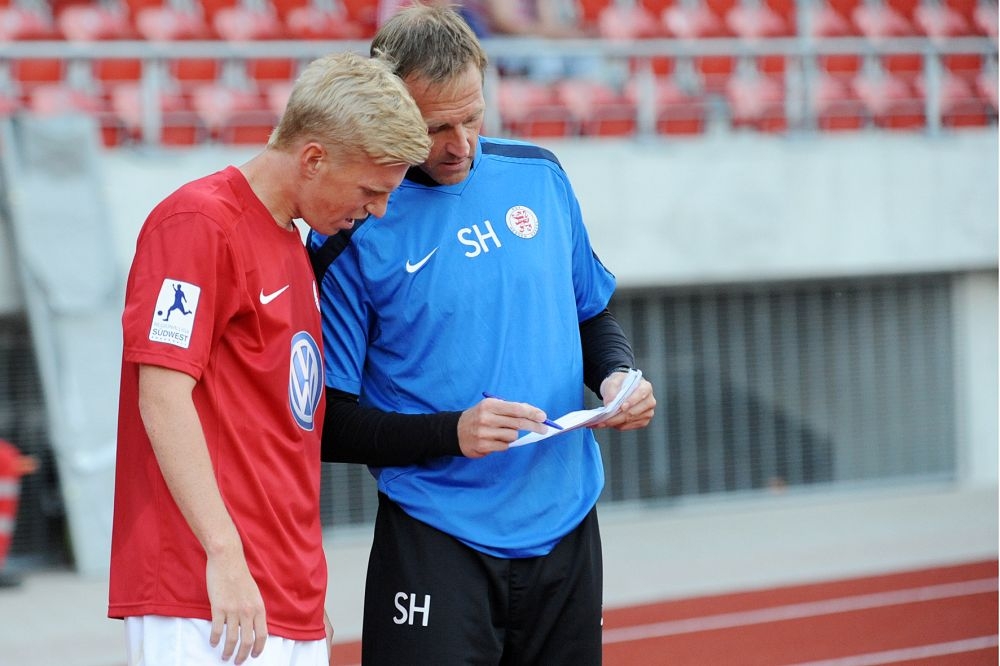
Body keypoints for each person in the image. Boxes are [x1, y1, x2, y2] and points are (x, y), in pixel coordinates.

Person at [308, 6, 656, 664]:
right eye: (434, 127)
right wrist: (453, 433)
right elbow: (328, 422)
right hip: (436, 535)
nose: (460, 145)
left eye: (472, 117)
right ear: (386, 110)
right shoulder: (350, 227)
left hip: (566, 521)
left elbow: (588, 313)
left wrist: (616, 374)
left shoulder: (539, 176)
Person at [108, 51, 430, 666]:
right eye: (370, 190)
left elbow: (283, 430)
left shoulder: (293, 242)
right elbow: (163, 395)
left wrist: (297, 585)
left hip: (281, 593)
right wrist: (225, 556)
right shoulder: (198, 224)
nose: (378, 210)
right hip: (203, 592)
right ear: (313, 158)